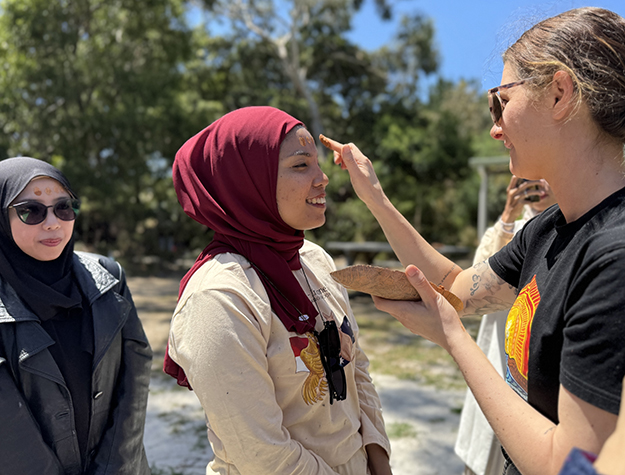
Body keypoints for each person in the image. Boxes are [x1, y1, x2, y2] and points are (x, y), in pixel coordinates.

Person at [321, 7, 625, 475]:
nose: (494, 127)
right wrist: (375, 198)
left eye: (501, 101)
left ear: (561, 94)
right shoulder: (547, 230)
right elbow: (458, 287)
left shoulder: (613, 258)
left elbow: (565, 463)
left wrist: (453, 340)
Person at [163, 106, 392, 475]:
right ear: (247, 180)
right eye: (301, 166)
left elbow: (356, 368)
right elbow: (260, 454)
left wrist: (377, 458)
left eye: (318, 164)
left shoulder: (315, 260)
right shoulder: (219, 297)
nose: (323, 179)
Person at [0, 157, 153, 474]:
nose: (53, 222)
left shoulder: (108, 277)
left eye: (63, 207)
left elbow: (135, 373)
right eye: (31, 210)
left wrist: (114, 466)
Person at [455, 176, 556, 475]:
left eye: (543, 177)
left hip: (534, 368)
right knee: (482, 449)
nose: (538, 185)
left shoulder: (571, 228)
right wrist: (508, 218)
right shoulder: (511, 229)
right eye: (529, 181)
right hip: (496, 350)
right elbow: (470, 281)